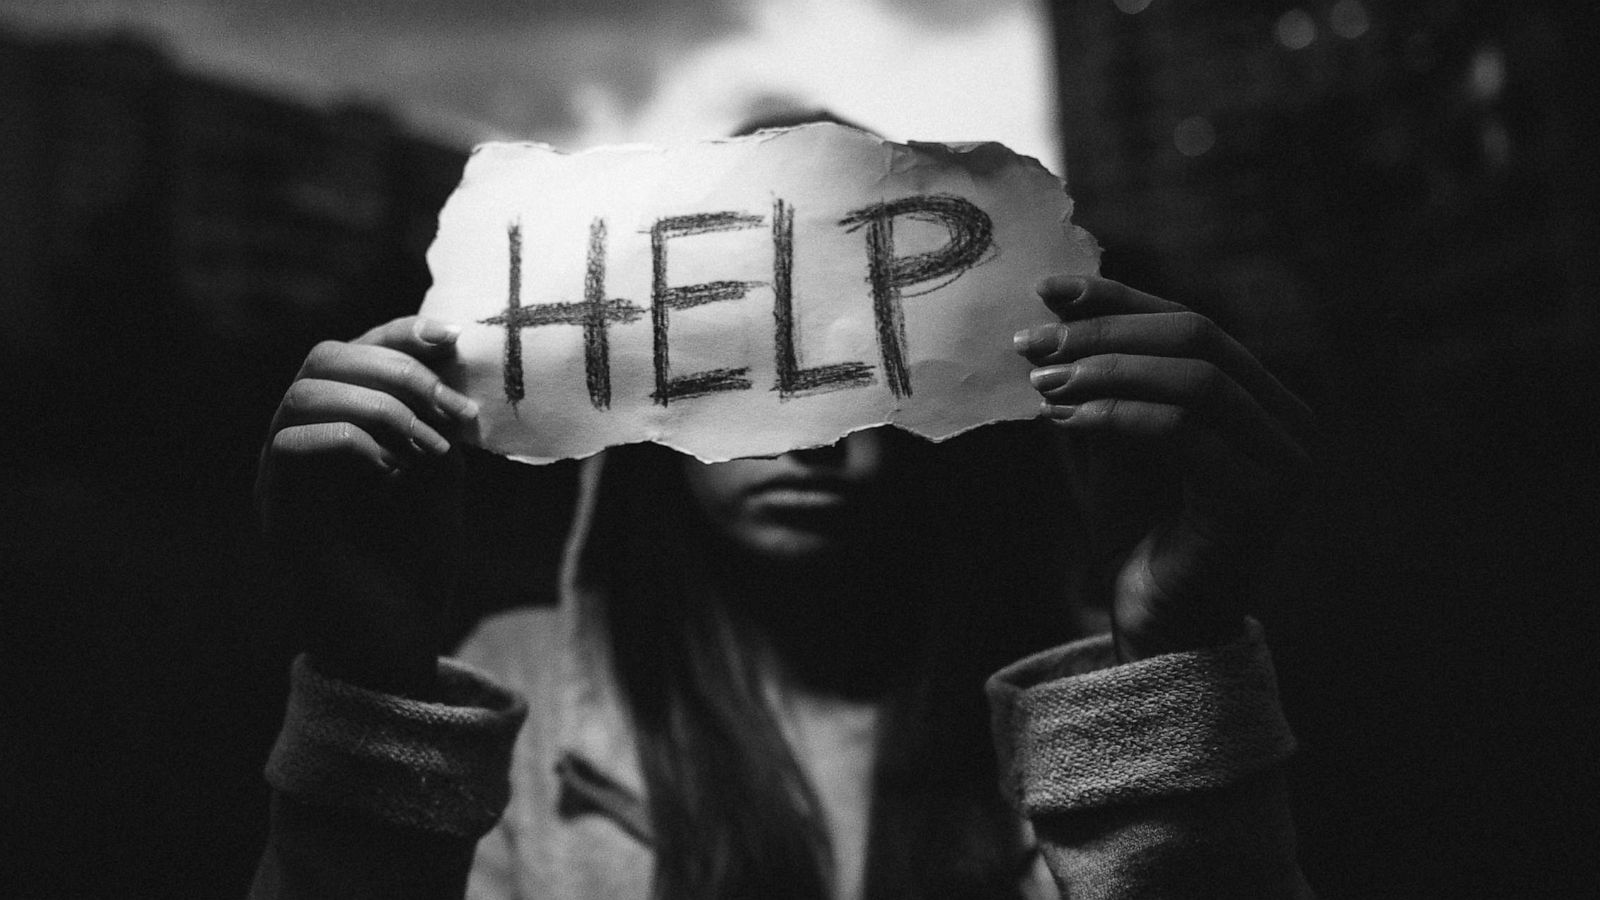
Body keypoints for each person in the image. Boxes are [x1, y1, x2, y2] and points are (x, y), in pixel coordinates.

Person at [249, 259, 1317, 898]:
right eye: (745, 379)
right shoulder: (507, 689)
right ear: (646, 418)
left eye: (860, 377)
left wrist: (1173, 667)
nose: (809, 441)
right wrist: (371, 685)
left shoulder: (1082, 696)